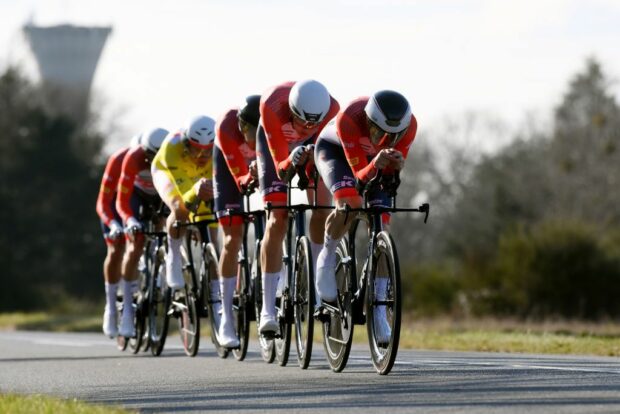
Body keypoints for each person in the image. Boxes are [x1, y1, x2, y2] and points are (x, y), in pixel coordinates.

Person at [313, 90, 418, 342]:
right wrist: (377, 163)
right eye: (378, 133)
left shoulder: (411, 126)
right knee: (350, 202)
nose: (384, 139)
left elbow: (390, 179)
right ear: (368, 122)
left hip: (374, 162)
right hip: (337, 154)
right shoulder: (349, 118)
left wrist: (396, 168)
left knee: (382, 224)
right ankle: (326, 261)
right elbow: (359, 178)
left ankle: (379, 310)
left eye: (393, 137)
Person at [256, 80, 340, 335]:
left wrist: (312, 152)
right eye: (303, 121)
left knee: (323, 208)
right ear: (291, 109)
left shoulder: (333, 109)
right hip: (277, 149)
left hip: (315, 147)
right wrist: (290, 159)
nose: (307, 127)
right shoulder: (271, 105)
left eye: (313, 123)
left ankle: (317, 284)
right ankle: (267, 309)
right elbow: (281, 169)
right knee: (277, 217)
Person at [151, 116, 219, 305]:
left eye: (207, 151)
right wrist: (196, 199)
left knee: (214, 239)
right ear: (187, 143)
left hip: (201, 176)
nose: (202, 156)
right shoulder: (172, 147)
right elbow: (186, 197)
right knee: (179, 208)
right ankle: (173, 254)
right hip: (167, 172)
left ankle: (216, 297)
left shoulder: (217, 149)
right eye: (197, 150)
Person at [212, 95, 261, 348]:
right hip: (230, 172)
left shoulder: (268, 130)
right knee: (233, 237)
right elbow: (239, 177)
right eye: (248, 130)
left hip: (258, 167)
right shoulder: (226, 127)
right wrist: (248, 175)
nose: (250, 135)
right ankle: (226, 317)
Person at [115, 128, 168, 338]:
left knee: (164, 225)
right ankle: (127, 306)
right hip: (137, 195)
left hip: (160, 193)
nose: (153, 160)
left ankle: (159, 268)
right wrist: (130, 220)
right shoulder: (134, 158)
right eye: (150, 156)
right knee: (135, 243)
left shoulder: (170, 154)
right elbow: (122, 199)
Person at [95, 134, 140, 338]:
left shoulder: (154, 162)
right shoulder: (118, 160)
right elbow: (103, 202)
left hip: (138, 201)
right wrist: (113, 224)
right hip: (114, 205)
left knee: (142, 238)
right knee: (116, 249)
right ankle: (111, 306)